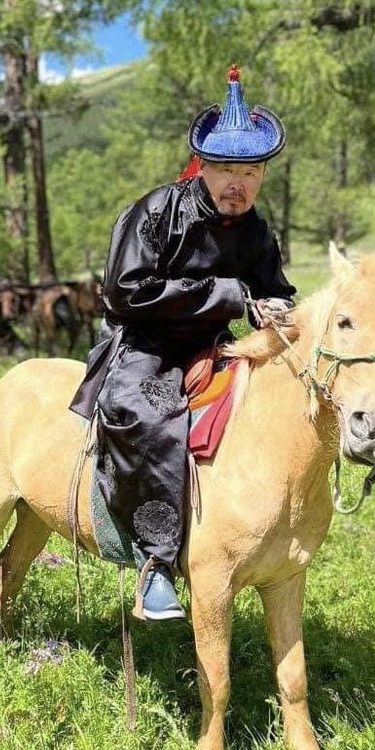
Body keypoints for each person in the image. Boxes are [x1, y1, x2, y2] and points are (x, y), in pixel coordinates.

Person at [69, 64, 297, 620]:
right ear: (203, 166)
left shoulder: (258, 231)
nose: (235, 183)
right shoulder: (155, 212)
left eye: (249, 170)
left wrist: (284, 311)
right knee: (144, 417)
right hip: (142, 345)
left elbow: (275, 292)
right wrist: (232, 298)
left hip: (213, 347)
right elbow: (125, 291)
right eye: (222, 167)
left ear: (263, 172)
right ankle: (157, 564)